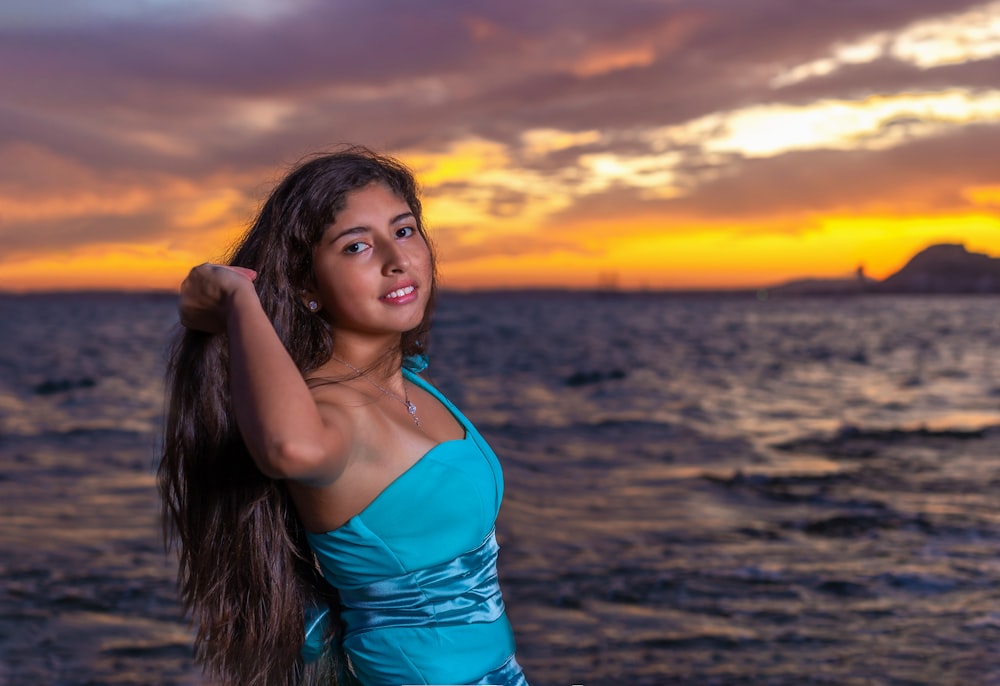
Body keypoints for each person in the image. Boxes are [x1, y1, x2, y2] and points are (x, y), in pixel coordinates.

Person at [158, 148, 529, 686]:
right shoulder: (329, 408)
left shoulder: (409, 385)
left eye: (404, 231)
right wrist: (242, 299)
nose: (395, 259)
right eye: (357, 245)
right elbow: (291, 448)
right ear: (306, 286)